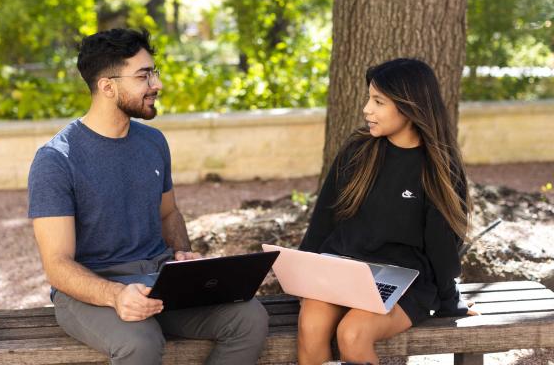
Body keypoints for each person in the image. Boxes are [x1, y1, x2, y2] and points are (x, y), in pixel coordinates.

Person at [27, 28, 268, 365]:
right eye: (144, 76)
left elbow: (169, 215)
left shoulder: (153, 143)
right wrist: (115, 296)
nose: (157, 84)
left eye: (153, 72)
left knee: (249, 318)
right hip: (89, 290)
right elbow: (57, 266)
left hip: (158, 279)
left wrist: (183, 254)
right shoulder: (56, 160)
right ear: (107, 86)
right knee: (141, 341)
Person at [298, 59, 479, 365]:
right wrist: (305, 275)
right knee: (311, 326)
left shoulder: (438, 168)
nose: (367, 109)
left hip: (404, 282)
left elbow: (441, 244)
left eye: (378, 101)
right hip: (343, 270)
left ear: (410, 107)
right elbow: (324, 219)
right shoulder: (357, 150)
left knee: (352, 334)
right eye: (369, 98)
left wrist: (450, 299)